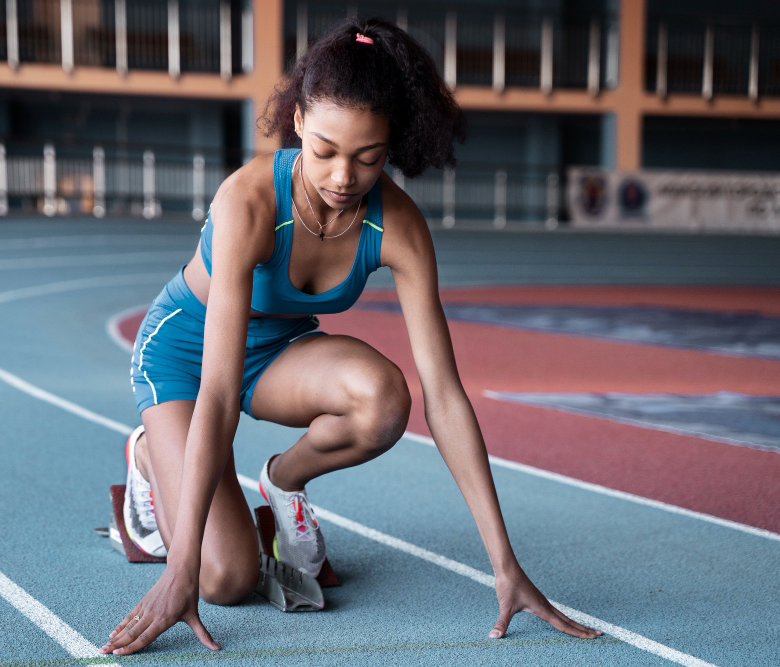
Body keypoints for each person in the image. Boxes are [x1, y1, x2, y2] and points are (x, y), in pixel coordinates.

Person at [102, 17, 600, 656]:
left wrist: (504, 562)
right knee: (225, 578)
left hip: (276, 353)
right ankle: (150, 456)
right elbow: (218, 393)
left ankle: (281, 482)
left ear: (391, 143)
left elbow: (443, 396)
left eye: (368, 158)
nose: (343, 176)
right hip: (186, 356)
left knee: (385, 399)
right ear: (299, 121)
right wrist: (180, 573)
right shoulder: (249, 203)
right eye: (326, 151)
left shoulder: (400, 227)